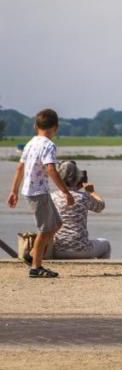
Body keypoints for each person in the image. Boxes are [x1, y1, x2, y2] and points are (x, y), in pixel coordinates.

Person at [5, 108, 76, 278]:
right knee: (45, 230)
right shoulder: (48, 145)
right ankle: (35, 267)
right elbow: (51, 169)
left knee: (57, 223)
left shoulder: (30, 143)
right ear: (56, 128)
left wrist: (13, 191)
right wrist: (66, 192)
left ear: (35, 125)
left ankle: (32, 254)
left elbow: (20, 167)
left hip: (33, 191)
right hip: (38, 192)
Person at [51, 161, 110, 260]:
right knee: (106, 244)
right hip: (81, 250)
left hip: (57, 250)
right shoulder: (83, 197)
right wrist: (91, 191)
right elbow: (100, 206)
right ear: (77, 178)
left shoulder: (52, 197)